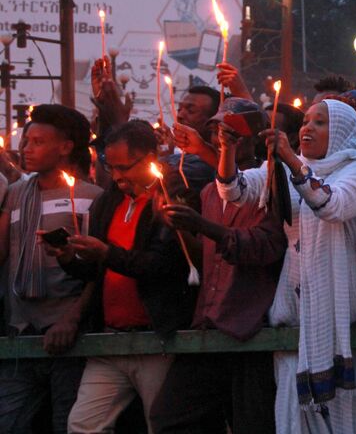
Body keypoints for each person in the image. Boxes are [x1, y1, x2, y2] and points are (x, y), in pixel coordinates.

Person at [217, 99, 356, 433]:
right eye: (306, 121)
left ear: (341, 132)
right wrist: (227, 148)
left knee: (344, 420)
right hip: (293, 314)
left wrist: (289, 158)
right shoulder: (288, 167)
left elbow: (332, 205)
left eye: (320, 122)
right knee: (292, 416)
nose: (307, 128)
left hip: (338, 316)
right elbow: (235, 191)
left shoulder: (353, 171)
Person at [150, 97, 287, 434]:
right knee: (171, 417)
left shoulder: (267, 181)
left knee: (251, 424)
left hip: (250, 328)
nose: (222, 140)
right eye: (217, 133)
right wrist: (183, 228)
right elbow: (208, 259)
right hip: (209, 326)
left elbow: (266, 246)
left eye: (232, 134)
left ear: (253, 138)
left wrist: (204, 226)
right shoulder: (212, 192)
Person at [55, 120, 195, 433]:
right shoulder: (109, 200)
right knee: (82, 425)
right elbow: (96, 271)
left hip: (155, 339)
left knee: (162, 424)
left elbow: (161, 266)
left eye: (124, 167)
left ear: (149, 158)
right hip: (110, 342)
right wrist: (68, 258)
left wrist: (105, 252)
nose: (116, 176)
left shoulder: (172, 199)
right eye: (110, 166)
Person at [0, 105, 102, 434]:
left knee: (67, 424)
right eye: (26, 140)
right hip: (21, 329)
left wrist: (72, 318)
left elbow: (101, 269)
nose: (26, 149)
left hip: (68, 332)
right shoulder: (15, 195)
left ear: (65, 147)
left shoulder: (92, 198)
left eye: (37, 142)